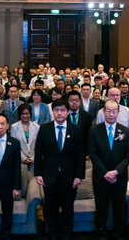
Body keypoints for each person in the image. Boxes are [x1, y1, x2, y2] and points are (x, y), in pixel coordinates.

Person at [34, 102, 84, 240]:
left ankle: (66, 235)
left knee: (68, 209)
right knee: (51, 209)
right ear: (53, 112)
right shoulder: (44, 129)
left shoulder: (76, 130)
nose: (59, 113)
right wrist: (38, 173)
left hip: (70, 178)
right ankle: (53, 235)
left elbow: (80, 155)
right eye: (56, 110)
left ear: (67, 112)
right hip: (49, 176)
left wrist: (79, 176)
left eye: (62, 110)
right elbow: (38, 152)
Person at [87, 101, 129, 239]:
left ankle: (118, 234)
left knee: (119, 208)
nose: (111, 114)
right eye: (108, 111)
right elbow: (93, 154)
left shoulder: (125, 130)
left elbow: (128, 155)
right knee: (101, 207)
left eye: (114, 111)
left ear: (118, 112)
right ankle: (101, 234)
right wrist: (105, 173)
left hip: (119, 177)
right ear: (103, 112)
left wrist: (116, 171)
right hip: (101, 177)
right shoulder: (94, 130)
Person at [9, 108, 39, 173]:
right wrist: (24, 158)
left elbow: (39, 145)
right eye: (23, 114)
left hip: (34, 161)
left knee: (33, 182)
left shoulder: (37, 127)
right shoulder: (14, 127)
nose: (25, 116)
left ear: (30, 114)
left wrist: (32, 158)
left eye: (27, 113)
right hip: (20, 161)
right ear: (19, 115)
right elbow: (14, 146)